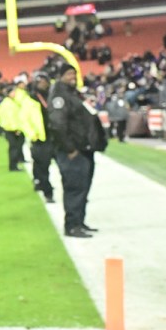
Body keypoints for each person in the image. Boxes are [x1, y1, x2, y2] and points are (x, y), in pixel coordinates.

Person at [48, 62, 108, 238]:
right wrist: (70, 148)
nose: (72, 77)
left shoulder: (74, 94)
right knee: (74, 188)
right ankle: (72, 226)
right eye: (68, 74)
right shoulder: (59, 95)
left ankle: (79, 222)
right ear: (60, 76)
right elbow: (58, 124)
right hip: (73, 151)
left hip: (84, 148)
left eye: (74, 74)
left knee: (83, 188)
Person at [28, 73, 56, 203]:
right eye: (41, 82)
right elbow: (25, 119)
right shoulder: (31, 99)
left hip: (55, 136)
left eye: (45, 82)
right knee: (43, 166)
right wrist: (33, 135)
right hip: (40, 138)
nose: (43, 84)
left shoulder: (53, 96)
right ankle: (47, 192)